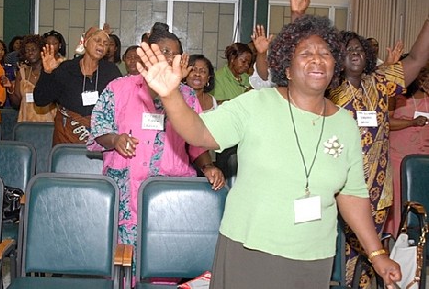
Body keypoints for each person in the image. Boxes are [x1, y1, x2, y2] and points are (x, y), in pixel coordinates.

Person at [136, 16, 402, 289]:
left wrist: (377, 254)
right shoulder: (256, 104)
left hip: (314, 257)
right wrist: (170, 96)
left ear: (335, 66)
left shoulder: (345, 124)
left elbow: (352, 194)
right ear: (286, 67)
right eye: (306, 53)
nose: (317, 59)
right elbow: (198, 132)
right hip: (250, 251)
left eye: (325, 54)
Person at [88, 22, 225, 272]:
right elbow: (99, 129)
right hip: (125, 190)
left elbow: (196, 142)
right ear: (148, 53)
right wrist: (115, 140)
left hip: (170, 192)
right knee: (124, 262)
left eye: (175, 53)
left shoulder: (187, 96)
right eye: (164, 51)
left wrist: (208, 166)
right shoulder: (119, 88)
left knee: (166, 259)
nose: (169, 58)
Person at [328, 19, 429, 286]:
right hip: (338, 187)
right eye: (348, 49)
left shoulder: (381, 83)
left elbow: (418, 58)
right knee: (338, 253)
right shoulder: (328, 88)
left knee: (370, 252)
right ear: (337, 57)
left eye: (360, 49)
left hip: (376, 187)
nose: (356, 52)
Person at [34, 27, 120, 144]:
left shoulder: (111, 72)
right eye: (97, 40)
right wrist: (47, 73)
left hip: (100, 139)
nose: (101, 45)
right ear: (85, 42)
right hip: (67, 137)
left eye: (106, 43)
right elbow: (40, 100)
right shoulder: (66, 68)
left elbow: (121, 104)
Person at [385, 67, 429, 236]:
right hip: (399, 157)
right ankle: (397, 239)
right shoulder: (397, 96)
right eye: (421, 73)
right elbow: (385, 121)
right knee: (401, 200)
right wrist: (411, 123)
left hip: (424, 155)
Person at [2, 35, 56, 123]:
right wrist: (10, 87)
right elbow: (16, 102)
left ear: (41, 51)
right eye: (27, 51)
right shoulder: (22, 73)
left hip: (48, 123)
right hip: (26, 122)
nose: (30, 53)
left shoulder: (51, 72)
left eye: (33, 50)